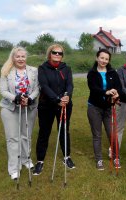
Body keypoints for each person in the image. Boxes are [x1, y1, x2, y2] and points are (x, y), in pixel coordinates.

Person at [33, 44, 75, 175]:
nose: (57, 55)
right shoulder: (42, 68)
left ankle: (67, 157)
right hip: (47, 105)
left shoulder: (66, 68)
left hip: (65, 104)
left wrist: (66, 96)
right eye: (54, 52)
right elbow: (44, 86)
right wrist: (57, 99)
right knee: (44, 132)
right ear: (49, 53)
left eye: (60, 53)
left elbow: (69, 84)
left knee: (64, 130)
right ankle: (40, 160)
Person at [0, 47, 39, 180]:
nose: (21, 59)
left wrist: (30, 98)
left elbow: (37, 88)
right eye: (18, 56)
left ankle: (26, 160)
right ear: (13, 58)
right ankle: (13, 167)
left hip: (29, 108)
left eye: (23, 56)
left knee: (26, 136)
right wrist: (15, 98)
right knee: (13, 138)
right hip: (10, 108)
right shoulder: (6, 71)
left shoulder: (33, 71)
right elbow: (3, 91)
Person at [87, 48, 122, 170]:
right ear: (97, 58)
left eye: (106, 59)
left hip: (108, 108)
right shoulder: (92, 73)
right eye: (102, 58)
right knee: (97, 135)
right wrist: (106, 92)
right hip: (94, 107)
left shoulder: (112, 72)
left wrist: (117, 93)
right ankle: (99, 160)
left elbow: (118, 87)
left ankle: (116, 157)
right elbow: (93, 89)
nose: (104, 60)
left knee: (112, 134)